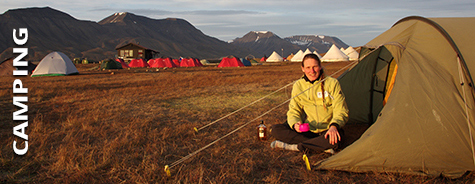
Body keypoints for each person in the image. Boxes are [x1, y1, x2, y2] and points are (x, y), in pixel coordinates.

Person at [270, 53, 349, 153]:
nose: (312, 71)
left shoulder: (332, 83)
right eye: (308, 67)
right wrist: (295, 124)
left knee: (336, 139)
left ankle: (296, 147)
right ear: (302, 69)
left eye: (315, 67)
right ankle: (321, 146)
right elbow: (294, 110)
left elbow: (341, 110)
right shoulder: (299, 85)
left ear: (320, 66)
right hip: (308, 130)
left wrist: (334, 126)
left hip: (328, 130)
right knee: (276, 129)